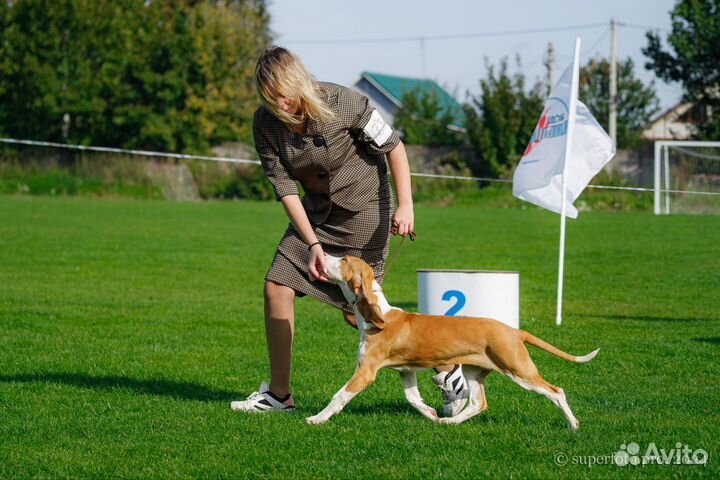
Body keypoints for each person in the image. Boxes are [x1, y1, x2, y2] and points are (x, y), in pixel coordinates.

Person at [230, 46, 467, 416]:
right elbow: (285, 188)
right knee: (276, 286)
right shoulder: (264, 124)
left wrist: (406, 205)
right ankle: (279, 396)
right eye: (272, 100)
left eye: (286, 97)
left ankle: (449, 370)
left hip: (365, 212)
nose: (282, 107)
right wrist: (312, 244)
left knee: (361, 311)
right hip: (316, 217)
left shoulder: (344, 101)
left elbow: (394, 147)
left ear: (299, 83)